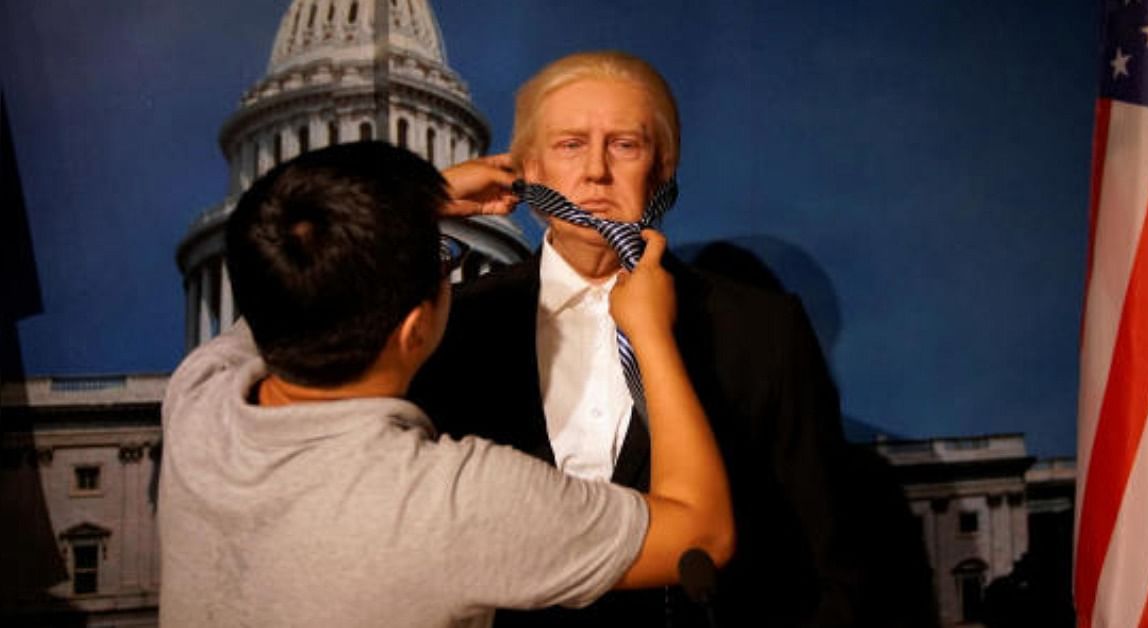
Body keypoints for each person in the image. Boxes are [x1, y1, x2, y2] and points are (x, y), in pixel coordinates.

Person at [157, 141, 732, 627]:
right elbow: (700, 535)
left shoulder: (198, 400)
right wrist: (651, 334)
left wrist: (407, 205)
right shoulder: (455, 501)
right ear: (414, 330)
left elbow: (285, 284)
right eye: (443, 261)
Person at [410, 51, 859, 626]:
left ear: (663, 170)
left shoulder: (763, 329)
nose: (596, 171)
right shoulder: (455, 323)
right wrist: (419, 202)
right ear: (529, 171)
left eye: (625, 144)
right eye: (570, 144)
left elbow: (826, 559)